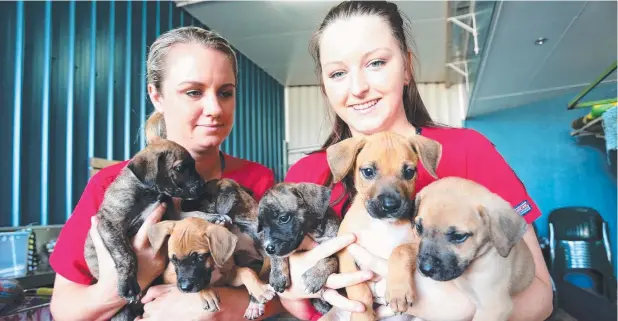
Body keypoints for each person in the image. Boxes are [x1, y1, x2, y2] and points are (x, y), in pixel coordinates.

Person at [279, 1, 554, 321]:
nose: (358, 88)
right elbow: (294, 304)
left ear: (407, 67)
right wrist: (289, 281)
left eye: (376, 62)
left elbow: (540, 295)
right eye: (338, 73)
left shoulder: (467, 151)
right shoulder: (306, 175)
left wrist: (458, 309)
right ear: (324, 85)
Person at [49, 26, 281, 321]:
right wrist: (136, 277)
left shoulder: (255, 180)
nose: (214, 108)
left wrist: (221, 305)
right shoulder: (110, 186)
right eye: (193, 92)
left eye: (225, 93)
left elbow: (290, 293)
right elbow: (64, 309)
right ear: (156, 96)